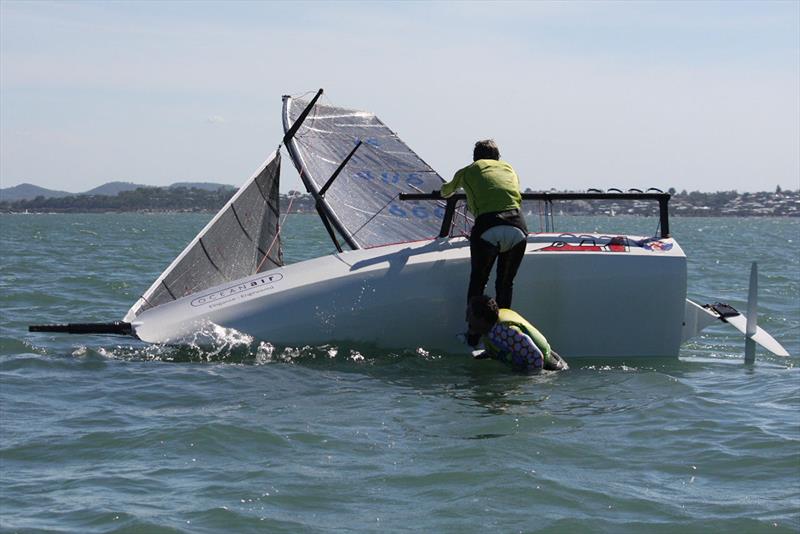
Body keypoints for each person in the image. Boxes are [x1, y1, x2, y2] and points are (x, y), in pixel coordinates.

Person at [435, 140, 528, 345]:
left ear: (475, 158)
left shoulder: (468, 170)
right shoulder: (509, 168)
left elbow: (446, 191)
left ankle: (473, 336)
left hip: (488, 227)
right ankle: (504, 333)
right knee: (505, 284)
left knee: (478, 282)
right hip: (518, 228)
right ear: (498, 158)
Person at [467, 295, 567, 373]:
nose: (467, 319)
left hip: (551, 368)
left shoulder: (505, 331)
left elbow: (536, 358)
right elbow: (506, 347)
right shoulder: (491, 329)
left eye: (469, 314)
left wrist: (525, 381)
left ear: (481, 319)